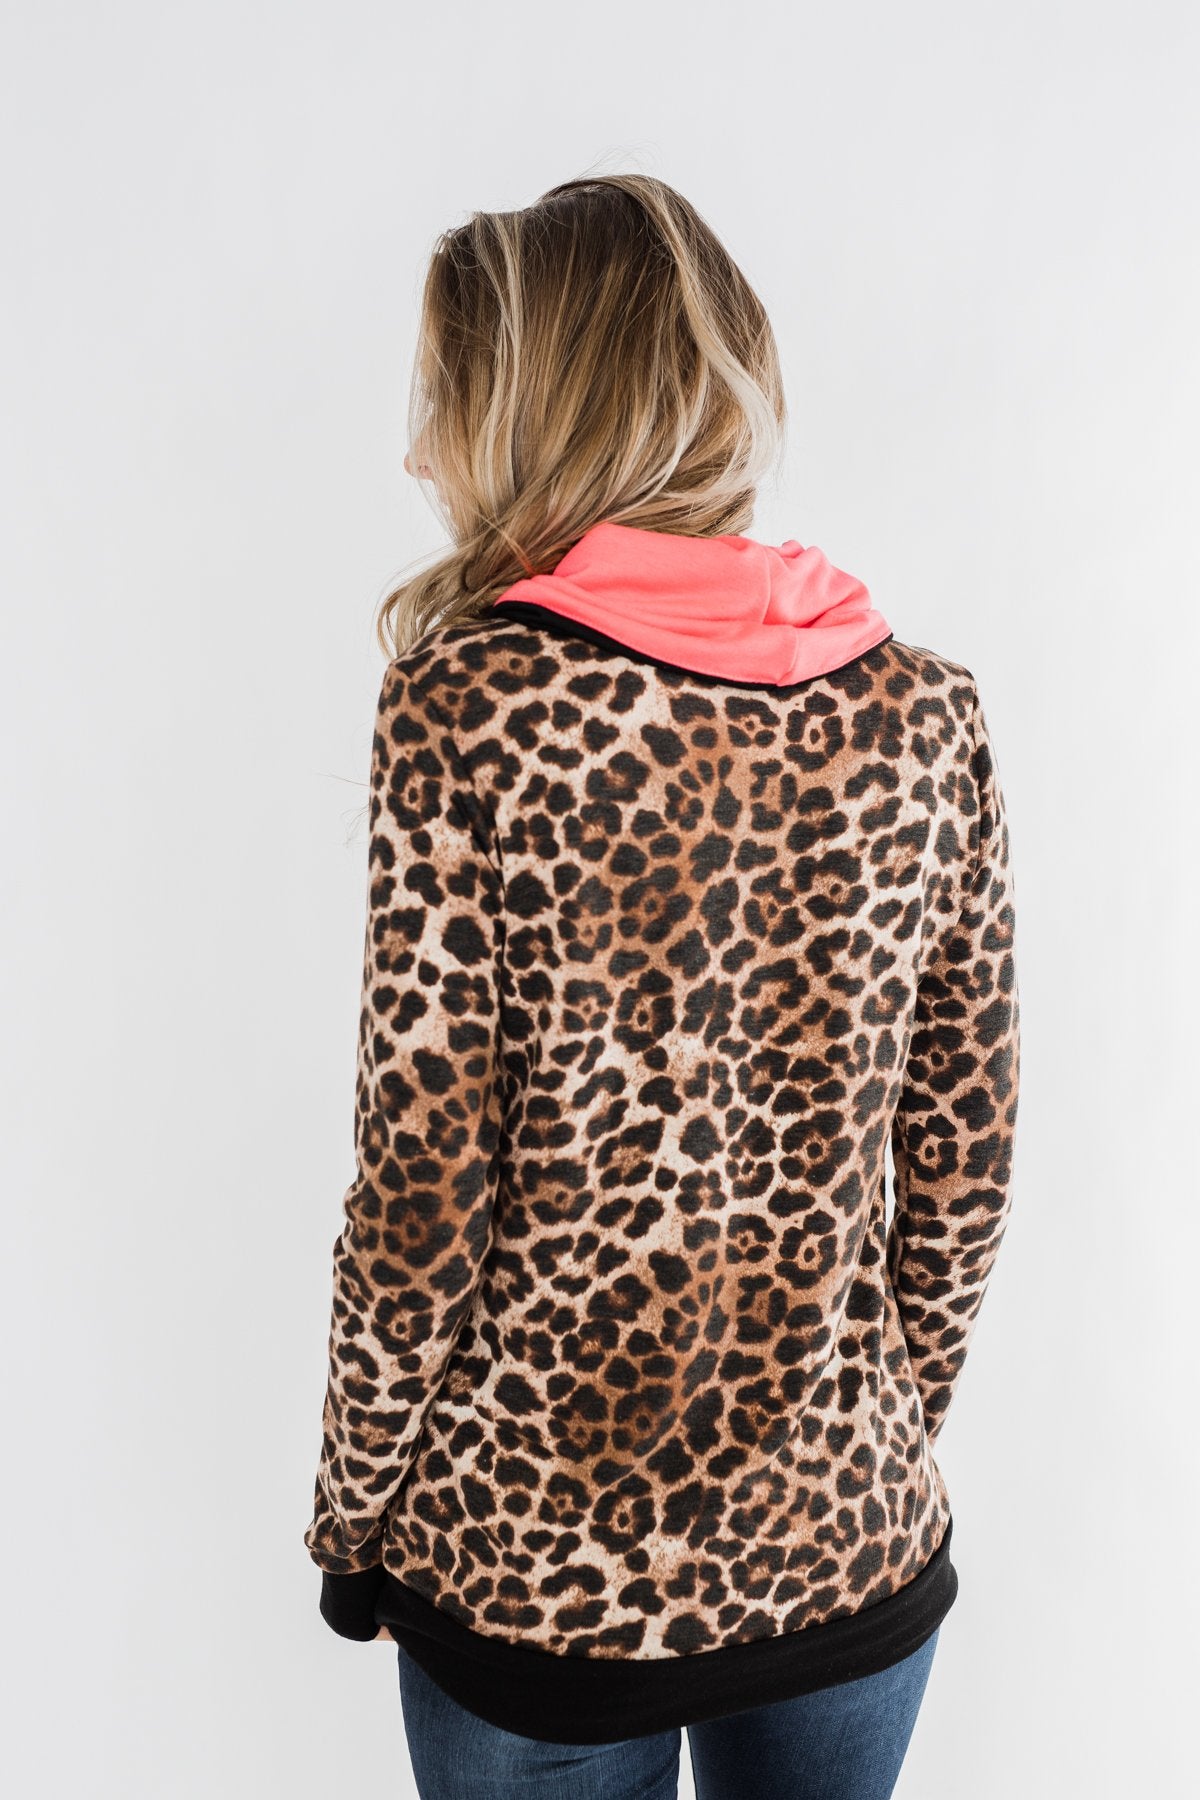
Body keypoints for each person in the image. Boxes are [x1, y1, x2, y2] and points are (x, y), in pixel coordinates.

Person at [302, 172, 1021, 1800]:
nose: (418, 454)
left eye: (443, 400)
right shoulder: (927, 712)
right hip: (852, 1560)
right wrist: (855, 1441)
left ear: (541, 411)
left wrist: (355, 1515)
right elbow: (963, 1165)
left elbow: (423, 1195)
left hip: (537, 1591)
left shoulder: (466, 707)